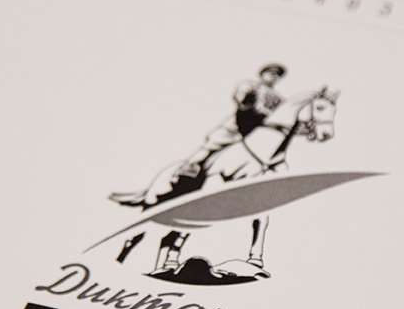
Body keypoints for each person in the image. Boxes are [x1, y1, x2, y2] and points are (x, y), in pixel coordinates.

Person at [110, 63, 288, 209]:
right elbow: (242, 102)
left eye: (277, 76)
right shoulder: (250, 86)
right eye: (270, 74)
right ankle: (183, 174)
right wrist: (250, 104)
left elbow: (279, 118)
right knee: (205, 154)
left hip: (253, 137)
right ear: (263, 74)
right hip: (233, 132)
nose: (273, 77)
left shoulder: (278, 99)